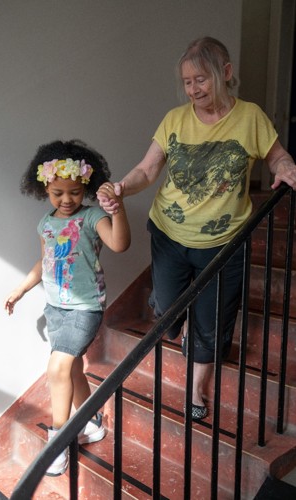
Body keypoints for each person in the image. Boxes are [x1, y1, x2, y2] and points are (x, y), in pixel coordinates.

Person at [97, 36, 296, 421]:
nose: (194, 89)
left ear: (226, 73)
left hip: (225, 244)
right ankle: (176, 313)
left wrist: (285, 166)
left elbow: (277, 155)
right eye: (187, 82)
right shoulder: (175, 119)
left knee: (212, 320)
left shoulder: (250, 117)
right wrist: (122, 187)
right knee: (169, 311)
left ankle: (196, 389)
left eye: (201, 79)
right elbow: (148, 169)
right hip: (170, 235)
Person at [4, 139, 130, 476]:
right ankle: (91, 424)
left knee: (58, 369)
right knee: (72, 370)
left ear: (84, 187)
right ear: (44, 188)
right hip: (55, 309)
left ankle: (57, 442)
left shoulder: (92, 217)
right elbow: (42, 261)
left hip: (85, 309)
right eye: (58, 193)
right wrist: (21, 289)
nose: (66, 199)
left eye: (74, 192)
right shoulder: (45, 223)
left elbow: (120, 244)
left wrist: (118, 209)